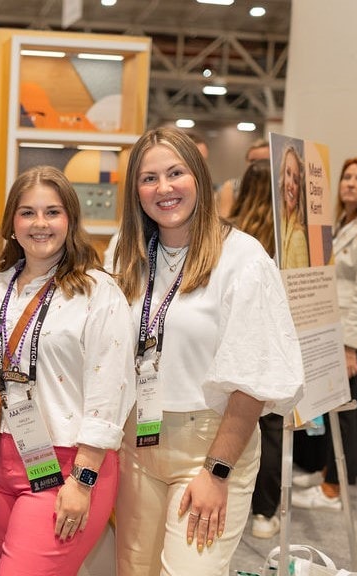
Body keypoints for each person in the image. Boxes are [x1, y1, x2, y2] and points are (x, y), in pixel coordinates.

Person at [111, 127, 304, 575]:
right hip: (136, 441)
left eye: (175, 173)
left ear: (199, 175)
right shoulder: (126, 252)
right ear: (135, 190)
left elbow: (253, 376)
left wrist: (217, 471)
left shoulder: (243, 258)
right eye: (149, 178)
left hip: (209, 446)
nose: (164, 188)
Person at [0, 166, 134, 575]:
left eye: (52, 212)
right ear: (12, 223)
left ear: (70, 220)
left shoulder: (98, 291)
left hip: (68, 467)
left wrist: (83, 479)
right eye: (27, 212)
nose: (39, 223)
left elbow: (110, 388)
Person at [293, 157, 357, 511]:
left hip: (348, 332)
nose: (350, 183)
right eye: (347, 177)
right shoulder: (342, 224)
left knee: (343, 409)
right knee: (327, 404)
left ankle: (334, 489)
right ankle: (326, 472)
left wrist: (351, 346)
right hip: (328, 325)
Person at [228, 159, 283, 539]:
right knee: (271, 426)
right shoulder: (284, 236)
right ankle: (264, 511)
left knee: (233, 419)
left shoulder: (230, 233)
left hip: (233, 342)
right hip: (271, 340)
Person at [216, 138, 270, 218]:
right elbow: (225, 220)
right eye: (253, 161)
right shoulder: (232, 187)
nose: (257, 165)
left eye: (263, 161)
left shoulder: (279, 188)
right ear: (246, 161)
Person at [277, 143, 309, 269]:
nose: (290, 184)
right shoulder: (282, 225)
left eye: (296, 180)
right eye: (288, 173)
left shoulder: (298, 236)